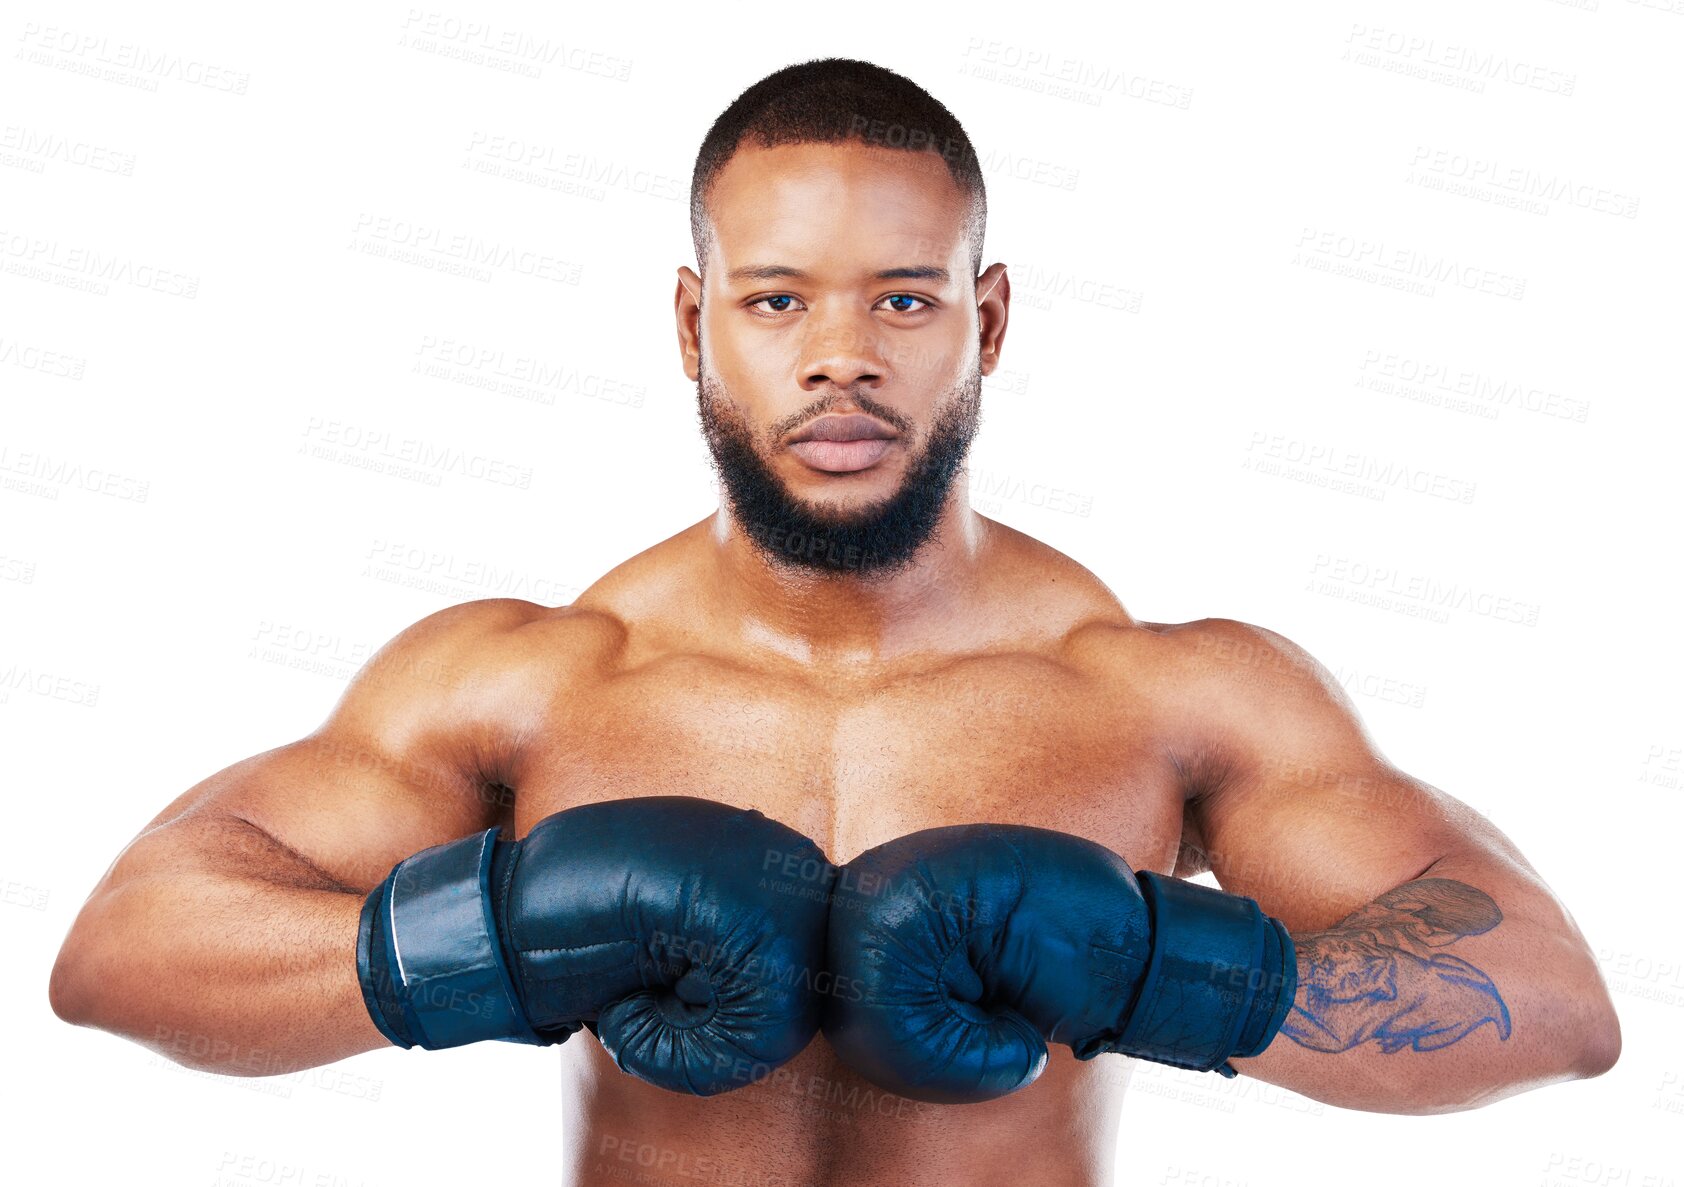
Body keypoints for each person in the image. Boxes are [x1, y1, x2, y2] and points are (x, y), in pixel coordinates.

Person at [47, 57, 1619, 1186]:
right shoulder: (522, 683)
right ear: (694, 323)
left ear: (985, 321)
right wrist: (509, 936)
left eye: (906, 299)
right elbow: (126, 952)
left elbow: (1552, 1006)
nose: (840, 359)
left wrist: (1157, 964)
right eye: (779, 298)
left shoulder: (1164, 697)